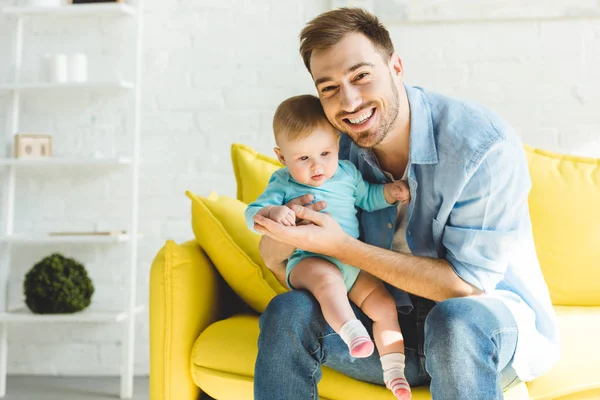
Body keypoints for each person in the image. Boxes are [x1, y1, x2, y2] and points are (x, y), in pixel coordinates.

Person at [251, 7, 560, 400]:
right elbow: (279, 261)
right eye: (329, 88)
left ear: (396, 66)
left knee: (455, 322)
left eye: (361, 76)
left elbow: (464, 288)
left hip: (481, 332)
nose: (348, 101)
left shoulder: (482, 147)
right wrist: (284, 233)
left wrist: (338, 246)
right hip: (382, 332)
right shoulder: (328, 150)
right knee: (288, 311)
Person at [245, 94, 412, 399]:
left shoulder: (347, 173)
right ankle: (351, 331)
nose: (317, 166)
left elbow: (367, 198)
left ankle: (394, 369)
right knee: (328, 281)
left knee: (384, 305)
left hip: (351, 260)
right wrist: (273, 213)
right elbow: (252, 214)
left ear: (337, 143)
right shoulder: (283, 183)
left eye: (324, 153)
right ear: (282, 158)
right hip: (309, 261)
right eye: (303, 158)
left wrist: (389, 193)